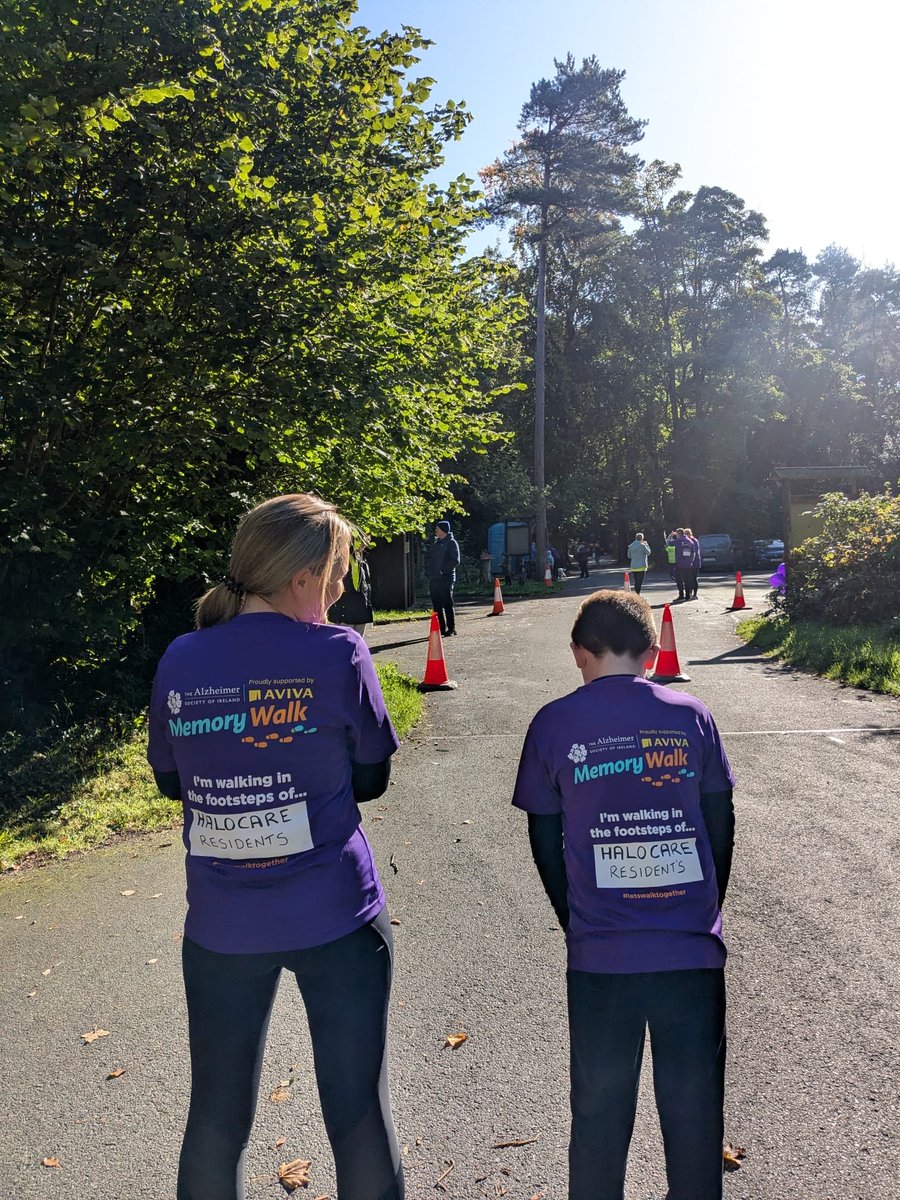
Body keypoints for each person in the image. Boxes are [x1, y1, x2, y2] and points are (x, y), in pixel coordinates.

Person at [147, 494, 404, 1200]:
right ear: (304, 578)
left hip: (224, 926)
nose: (341, 590)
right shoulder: (337, 652)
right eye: (338, 574)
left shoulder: (181, 657)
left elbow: (172, 783)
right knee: (357, 1117)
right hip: (338, 916)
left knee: (217, 1120)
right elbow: (373, 778)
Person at [512, 590, 736, 1200]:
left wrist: (573, 918)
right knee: (694, 1113)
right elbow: (720, 823)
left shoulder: (554, 723)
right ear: (653, 649)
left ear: (578, 653)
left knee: (599, 1115)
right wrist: (703, 908)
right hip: (689, 951)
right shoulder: (691, 715)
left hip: (600, 955)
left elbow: (543, 834)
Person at [328, 544, 374, 634]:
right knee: (346, 639)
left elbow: (366, 584)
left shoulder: (361, 559)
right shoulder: (342, 558)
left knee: (358, 641)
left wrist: (367, 606)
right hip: (346, 608)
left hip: (360, 607)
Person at [429, 520, 460, 636]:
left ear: (443, 530)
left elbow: (455, 560)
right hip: (434, 578)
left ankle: (451, 628)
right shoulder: (436, 544)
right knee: (436, 605)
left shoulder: (451, 543)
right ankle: (440, 628)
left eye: (437, 529)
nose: (435, 531)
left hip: (446, 577)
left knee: (447, 603)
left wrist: (443, 570)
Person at [673, 527, 695, 600]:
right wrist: (691, 561)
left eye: (676, 534)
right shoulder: (690, 541)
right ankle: (688, 596)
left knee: (679, 580)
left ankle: (681, 595)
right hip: (688, 564)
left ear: (679, 534)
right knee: (687, 580)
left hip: (679, 564)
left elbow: (668, 543)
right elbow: (693, 553)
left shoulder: (678, 541)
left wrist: (670, 536)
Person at [684, 527, 701, 599]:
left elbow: (695, 552)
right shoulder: (690, 541)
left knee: (693, 578)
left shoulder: (693, 541)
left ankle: (695, 594)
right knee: (689, 578)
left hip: (695, 562)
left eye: (686, 534)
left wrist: (690, 561)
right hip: (689, 563)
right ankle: (690, 593)